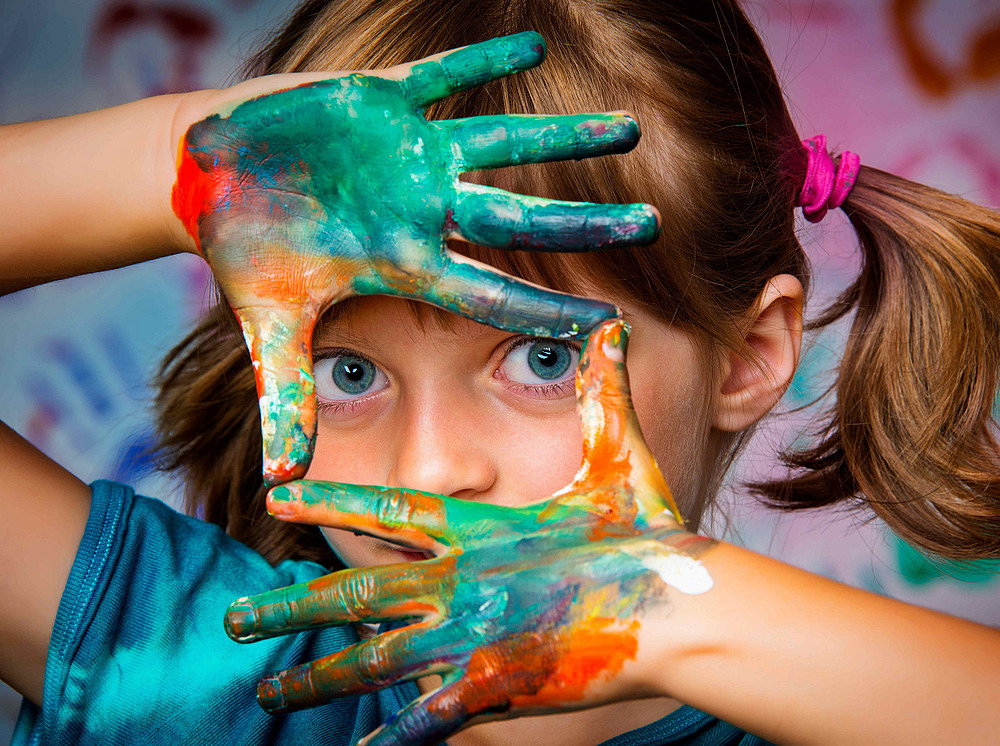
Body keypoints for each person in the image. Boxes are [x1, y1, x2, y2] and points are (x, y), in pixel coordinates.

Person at [2, 1, 999, 745]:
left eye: (540, 355)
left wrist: (670, 605)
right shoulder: (172, 668)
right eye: (348, 369)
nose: (427, 470)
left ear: (747, 356)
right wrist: (188, 163)